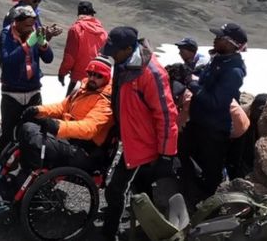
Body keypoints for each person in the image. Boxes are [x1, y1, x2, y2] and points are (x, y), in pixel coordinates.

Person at [99, 27, 180, 240]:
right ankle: (149, 229)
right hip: (133, 138)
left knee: (116, 191)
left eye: (114, 51)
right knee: (141, 187)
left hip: (144, 145)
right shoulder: (125, 64)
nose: (111, 55)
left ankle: (110, 234)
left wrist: (166, 154)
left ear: (128, 48)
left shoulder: (151, 73)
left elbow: (166, 115)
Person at [179, 22, 248, 205]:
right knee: (183, 153)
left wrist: (191, 84)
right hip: (199, 122)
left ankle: (207, 207)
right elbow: (205, 83)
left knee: (211, 172)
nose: (215, 39)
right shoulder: (219, 59)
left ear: (231, 44)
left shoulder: (233, 71)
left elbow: (216, 102)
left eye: (220, 37)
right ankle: (189, 195)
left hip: (213, 129)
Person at [17, 55, 114, 171]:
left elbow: (89, 128)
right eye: (90, 73)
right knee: (26, 128)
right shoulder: (85, 87)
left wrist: (57, 126)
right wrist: (39, 110)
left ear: (107, 78)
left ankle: (32, 176)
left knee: (32, 136)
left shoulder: (106, 101)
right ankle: (27, 175)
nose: (93, 78)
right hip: (69, 139)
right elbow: (63, 107)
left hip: (84, 150)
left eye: (98, 76)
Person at [0, 5, 55, 154]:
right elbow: (7, 61)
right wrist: (27, 45)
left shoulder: (35, 33)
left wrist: (43, 44)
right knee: (8, 133)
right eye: (28, 24)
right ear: (17, 22)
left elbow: (48, 59)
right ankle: (1, 164)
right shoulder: (6, 35)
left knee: (34, 131)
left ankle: (28, 165)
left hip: (33, 91)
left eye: (33, 23)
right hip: (12, 93)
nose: (31, 28)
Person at [57, 1, 108, 96]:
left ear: (79, 14)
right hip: (96, 81)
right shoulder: (103, 32)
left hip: (78, 80)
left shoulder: (75, 29)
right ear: (92, 14)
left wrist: (62, 73)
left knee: (69, 108)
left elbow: (70, 57)